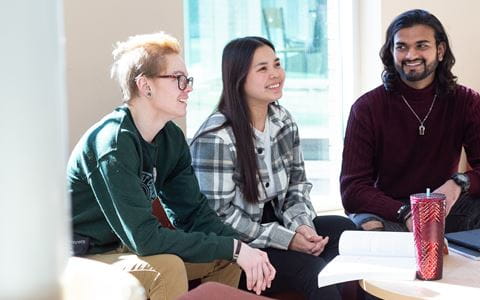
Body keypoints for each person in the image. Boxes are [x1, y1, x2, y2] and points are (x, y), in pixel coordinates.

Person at [67, 32, 275, 300]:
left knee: (224, 259)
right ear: (145, 85)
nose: (188, 88)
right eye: (178, 79)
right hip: (83, 256)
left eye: (187, 80)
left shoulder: (171, 138)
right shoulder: (114, 143)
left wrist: (242, 248)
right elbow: (145, 239)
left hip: (124, 247)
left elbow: (194, 213)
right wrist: (233, 247)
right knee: (167, 269)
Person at [189, 36, 356, 300]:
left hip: (279, 228)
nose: (275, 74)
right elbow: (217, 218)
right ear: (239, 78)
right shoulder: (216, 138)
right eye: (263, 68)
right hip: (241, 250)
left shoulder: (283, 120)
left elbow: (297, 186)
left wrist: (302, 228)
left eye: (277, 64)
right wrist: (286, 239)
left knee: (345, 231)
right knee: (314, 273)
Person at [340, 9, 480, 233]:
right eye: (401, 47)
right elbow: (352, 190)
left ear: (440, 51)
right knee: (367, 226)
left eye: (421, 45)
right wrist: (406, 213)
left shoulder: (466, 101)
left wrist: (459, 182)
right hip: (390, 214)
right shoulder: (366, 108)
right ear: (391, 52)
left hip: (445, 210)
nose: (411, 55)